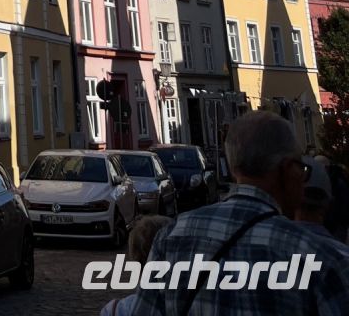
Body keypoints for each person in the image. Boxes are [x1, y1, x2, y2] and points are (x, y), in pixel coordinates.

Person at [107, 111, 349, 314]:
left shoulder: (171, 237)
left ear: (233, 168)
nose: (303, 178)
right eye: (301, 167)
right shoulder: (322, 258)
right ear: (286, 169)